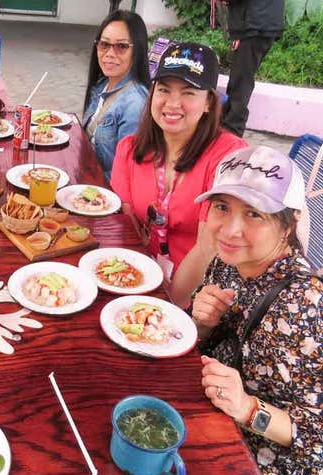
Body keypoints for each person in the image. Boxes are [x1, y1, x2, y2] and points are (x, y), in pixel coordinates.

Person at [190, 145, 323, 475]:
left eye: (253, 214)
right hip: (220, 427)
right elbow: (197, 342)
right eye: (222, 207)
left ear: (288, 223)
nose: (230, 229)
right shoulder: (229, 262)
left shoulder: (309, 309)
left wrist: (248, 408)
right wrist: (200, 322)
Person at [110, 41, 246, 284]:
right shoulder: (130, 149)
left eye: (188, 92)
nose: (172, 103)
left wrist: (168, 303)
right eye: (164, 90)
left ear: (208, 103)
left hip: (200, 291)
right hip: (140, 276)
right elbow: (126, 227)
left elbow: (208, 248)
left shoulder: (227, 158)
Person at [81, 10, 150, 182]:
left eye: (121, 46)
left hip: (103, 194)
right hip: (86, 177)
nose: (110, 54)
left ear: (138, 51)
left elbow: (127, 174)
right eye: (104, 44)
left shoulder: (135, 103)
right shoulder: (102, 84)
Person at [221, 0, 286, 137]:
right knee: (240, 78)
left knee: (241, 80)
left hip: (254, 24)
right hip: (257, 23)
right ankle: (227, 126)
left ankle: (232, 132)